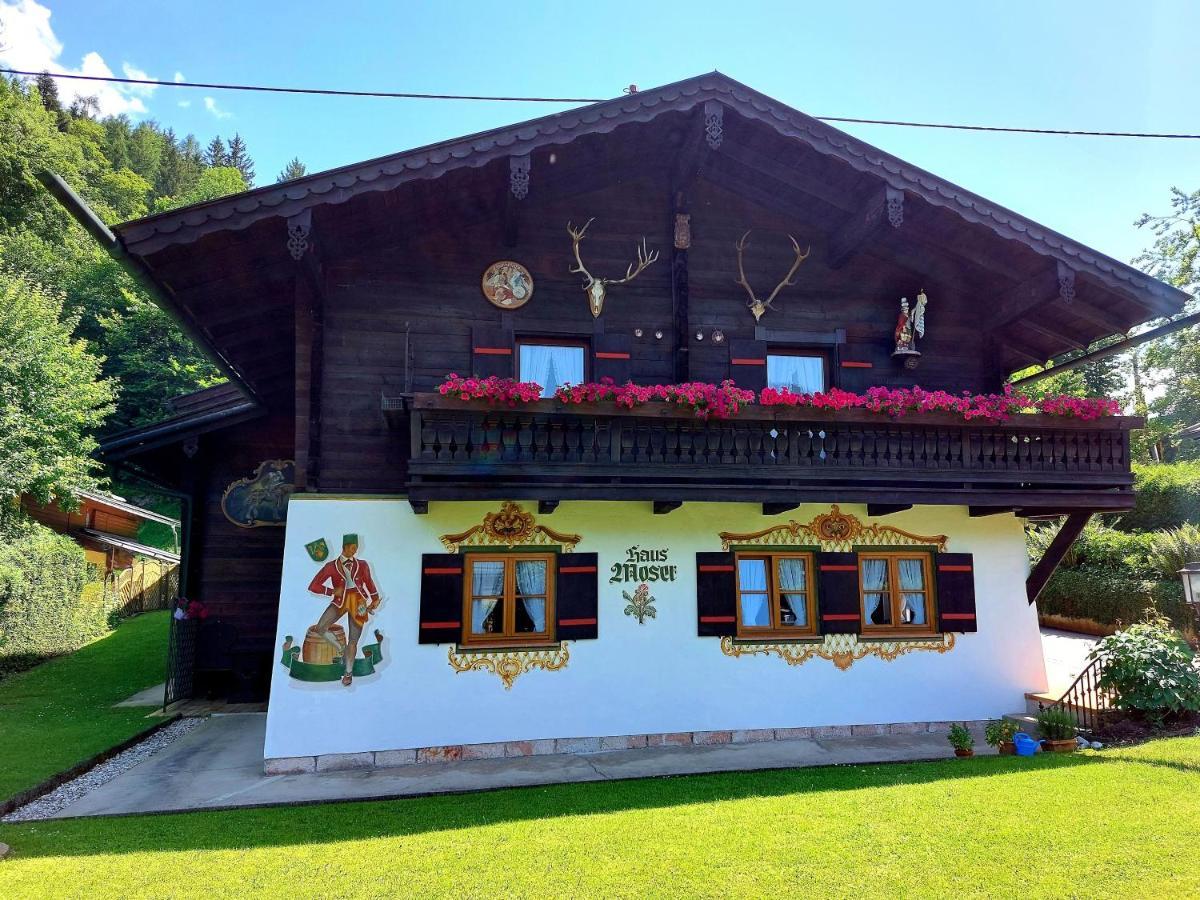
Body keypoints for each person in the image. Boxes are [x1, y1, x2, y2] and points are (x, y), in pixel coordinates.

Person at [307, 534, 381, 686]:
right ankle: (341, 648)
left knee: (353, 640)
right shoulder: (330, 566)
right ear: (345, 547)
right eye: (353, 547)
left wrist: (374, 599)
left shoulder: (363, 564)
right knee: (321, 627)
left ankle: (348, 673)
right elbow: (313, 586)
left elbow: (369, 583)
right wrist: (331, 592)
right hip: (340, 601)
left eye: (356, 547)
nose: (355, 550)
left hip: (359, 602)